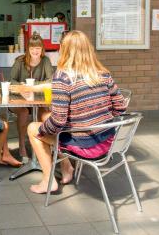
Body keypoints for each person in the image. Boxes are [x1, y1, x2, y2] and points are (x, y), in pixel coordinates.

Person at [27, 30, 127, 194]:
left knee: (33, 128)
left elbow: (59, 122)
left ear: (63, 49)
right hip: (109, 141)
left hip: (86, 145)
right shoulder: (103, 73)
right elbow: (121, 107)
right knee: (46, 117)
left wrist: (41, 131)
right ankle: (67, 168)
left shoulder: (63, 77)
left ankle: (48, 181)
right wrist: (98, 118)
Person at [10, 33, 53, 160]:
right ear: (28, 49)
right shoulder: (20, 61)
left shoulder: (45, 61)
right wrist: (21, 88)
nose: (35, 51)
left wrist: (32, 86)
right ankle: (22, 144)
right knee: (23, 112)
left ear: (42, 49)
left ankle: (43, 145)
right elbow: (11, 80)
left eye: (38, 48)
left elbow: (50, 81)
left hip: (38, 99)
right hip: (19, 98)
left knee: (44, 113)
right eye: (32, 48)